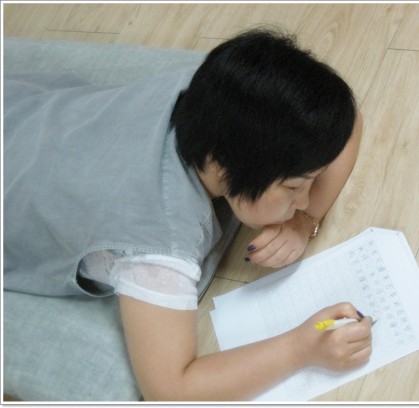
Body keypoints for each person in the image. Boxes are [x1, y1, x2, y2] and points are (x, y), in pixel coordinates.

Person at [3, 28, 371, 400]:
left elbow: (348, 123)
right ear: (223, 164)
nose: (305, 200)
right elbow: (171, 389)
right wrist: (301, 349)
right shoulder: (159, 244)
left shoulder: (210, 91)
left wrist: (303, 222)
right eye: (293, 187)